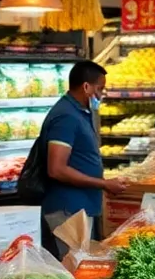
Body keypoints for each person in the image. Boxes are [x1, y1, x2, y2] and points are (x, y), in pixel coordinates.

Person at [37, 61, 129, 255]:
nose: (101, 95)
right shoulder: (66, 117)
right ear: (86, 87)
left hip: (79, 207)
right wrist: (103, 184)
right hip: (68, 208)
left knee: (82, 265)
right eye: (100, 89)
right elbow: (56, 168)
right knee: (76, 268)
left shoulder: (78, 112)